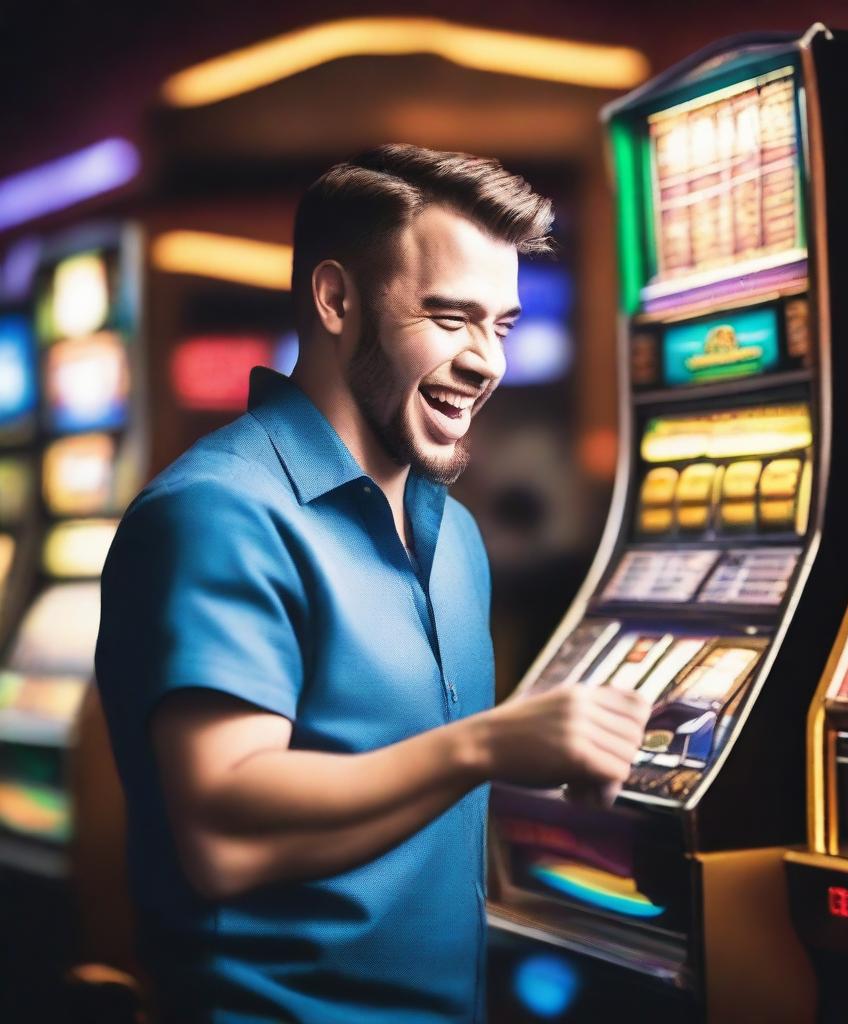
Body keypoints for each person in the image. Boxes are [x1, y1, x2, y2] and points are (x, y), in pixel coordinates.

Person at [95, 144, 650, 1023]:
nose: (486, 362)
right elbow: (223, 835)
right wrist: (491, 747)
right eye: (449, 317)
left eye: (499, 326)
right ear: (336, 299)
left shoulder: (454, 533)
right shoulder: (216, 512)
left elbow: (403, 795)